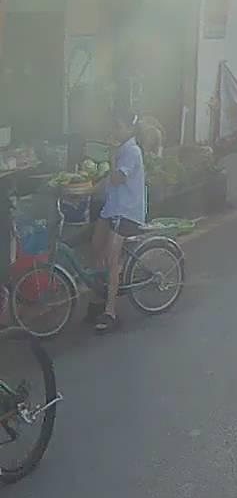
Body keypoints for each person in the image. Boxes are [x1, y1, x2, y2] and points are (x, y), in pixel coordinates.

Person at [86, 109, 148, 333]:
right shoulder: (122, 149)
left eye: (118, 127)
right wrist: (86, 192)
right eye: (113, 126)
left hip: (127, 212)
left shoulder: (132, 151)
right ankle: (98, 298)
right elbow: (106, 181)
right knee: (96, 247)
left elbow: (116, 178)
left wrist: (111, 157)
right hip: (112, 209)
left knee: (112, 260)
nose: (114, 131)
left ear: (130, 129)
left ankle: (110, 311)